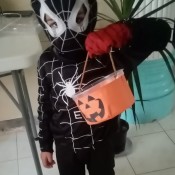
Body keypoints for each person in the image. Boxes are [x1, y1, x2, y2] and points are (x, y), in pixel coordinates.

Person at [31, 0, 171, 175]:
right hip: (65, 144)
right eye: (53, 22)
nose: (67, 30)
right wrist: (45, 145)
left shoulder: (108, 57)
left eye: (79, 17)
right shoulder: (46, 62)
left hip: (101, 143)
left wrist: (122, 31)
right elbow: (44, 105)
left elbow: (162, 32)